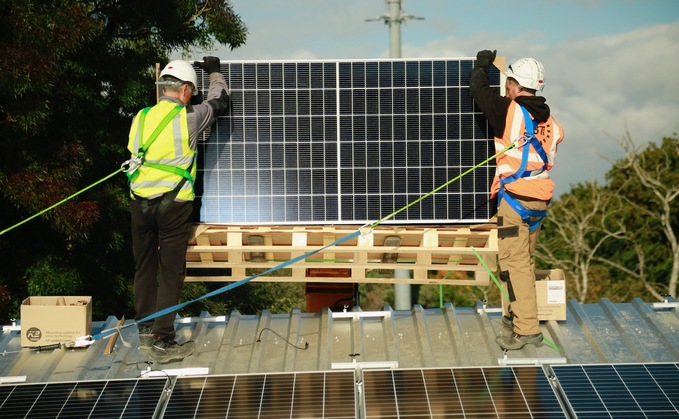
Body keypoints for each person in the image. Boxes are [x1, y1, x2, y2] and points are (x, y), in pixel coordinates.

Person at [126, 56, 229, 363]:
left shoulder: (141, 116)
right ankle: (163, 340)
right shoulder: (190, 117)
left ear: (163, 88)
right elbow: (220, 101)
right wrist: (214, 71)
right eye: (191, 91)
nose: (191, 97)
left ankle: (146, 332)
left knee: (144, 266)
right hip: (174, 204)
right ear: (184, 90)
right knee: (171, 271)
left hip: (139, 202)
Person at [469, 50, 564, 350]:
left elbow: (478, 89)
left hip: (515, 200)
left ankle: (526, 330)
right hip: (539, 203)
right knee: (524, 260)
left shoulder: (509, 111)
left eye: (508, 83)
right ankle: (516, 317)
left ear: (516, 85)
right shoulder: (552, 123)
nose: (506, 89)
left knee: (515, 264)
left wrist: (482, 63)